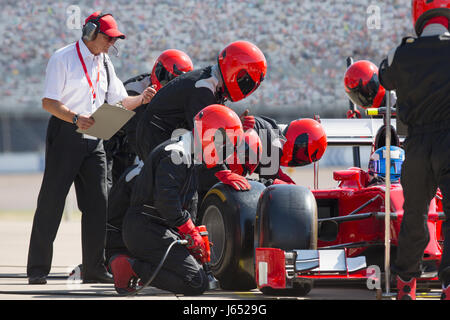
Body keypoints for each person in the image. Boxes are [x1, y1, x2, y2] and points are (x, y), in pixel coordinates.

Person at [26, 11, 155, 285]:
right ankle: (37, 269)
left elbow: (119, 101)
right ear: (91, 33)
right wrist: (75, 117)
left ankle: (95, 267)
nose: (112, 44)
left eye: (114, 39)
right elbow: (48, 103)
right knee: (52, 202)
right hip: (66, 132)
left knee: (99, 203)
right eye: (109, 38)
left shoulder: (105, 62)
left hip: (95, 135)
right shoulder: (62, 58)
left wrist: (142, 99)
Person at [110, 104, 244, 295]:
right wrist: (189, 231)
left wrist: (193, 234)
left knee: (200, 276)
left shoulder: (190, 156)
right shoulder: (176, 154)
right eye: (225, 144)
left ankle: (139, 265)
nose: (225, 151)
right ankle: (131, 267)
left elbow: (185, 204)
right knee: (196, 283)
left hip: (157, 228)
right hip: (146, 229)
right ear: (212, 135)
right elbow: (167, 201)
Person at [378, 0, 450, 300]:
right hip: (448, 140)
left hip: (417, 144)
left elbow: (383, 79)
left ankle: (406, 282)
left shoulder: (401, 52)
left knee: (414, 215)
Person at [134, 40, 267, 195]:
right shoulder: (204, 88)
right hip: (156, 134)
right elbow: (205, 136)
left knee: (191, 179)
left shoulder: (213, 83)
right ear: (234, 70)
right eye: (247, 81)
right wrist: (222, 171)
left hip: (168, 132)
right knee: (178, 185)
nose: (248, 87)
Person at [104, 49, 194, 187]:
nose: (172, 89)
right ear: (158, 73)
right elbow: (137, 138)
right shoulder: (134, 90)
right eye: (168, 82)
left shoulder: (179, 97)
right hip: (113, 144)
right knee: (109, 191)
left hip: (137, 145)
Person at [240, 114, 327, 186]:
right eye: (302, 155)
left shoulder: (272, 132)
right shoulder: (274, 141)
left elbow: (274, 174)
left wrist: (293, 186)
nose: (300, 160)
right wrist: (294, 188)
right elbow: (270, 184)